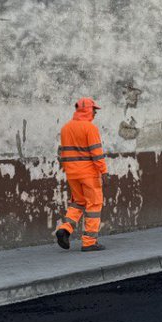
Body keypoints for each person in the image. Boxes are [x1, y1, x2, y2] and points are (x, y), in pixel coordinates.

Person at [55, 97, 108, 252]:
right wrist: (104, 172)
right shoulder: (90, 128)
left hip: (72, 173)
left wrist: (69, 170)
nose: (96, 113)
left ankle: (64, 229)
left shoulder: (66, 128)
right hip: (89, 174)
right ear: (87, 110)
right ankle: (89, 241)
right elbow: (96, 153)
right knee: (94, 205)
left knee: (78, 203)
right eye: (94, 110)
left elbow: (63, 153)